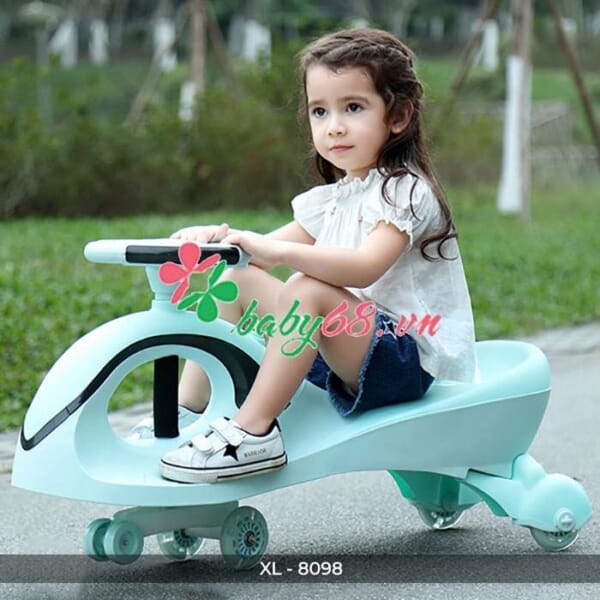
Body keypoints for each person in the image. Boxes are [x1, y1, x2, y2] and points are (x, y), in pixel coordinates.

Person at [138, 28, 477, 484]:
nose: (334, 125)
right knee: (234, 282)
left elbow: (365, 267)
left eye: (352, 108)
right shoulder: (334, 199)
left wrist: (278, 250)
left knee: (307, 290)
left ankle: (254, 432)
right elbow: (255, 259)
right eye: (320, 111)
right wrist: (217, 240)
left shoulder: (405, 191)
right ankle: (188, 412)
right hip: (345, 346)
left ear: (397, 116)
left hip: (403, 359)